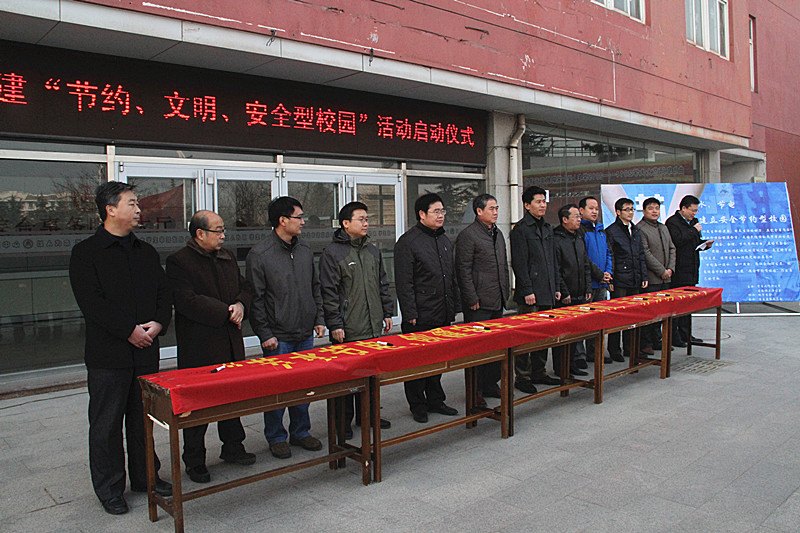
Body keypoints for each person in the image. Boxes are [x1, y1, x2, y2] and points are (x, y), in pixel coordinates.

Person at [69, 181, 172, 515]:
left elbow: (163, 293)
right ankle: (110, 489)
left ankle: (146, 477)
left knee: (143, 421)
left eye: (138, 203)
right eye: (132, 203)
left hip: (145, 351)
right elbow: (92, 303)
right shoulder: (86, 253)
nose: (138, 209)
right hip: (108, 356)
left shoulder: (146, 252)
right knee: (107, 425)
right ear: (110, 209)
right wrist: (129, 331)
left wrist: (158, 324)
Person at [166, 210, 256, 484]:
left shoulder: (227, 257)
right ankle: (194, 460)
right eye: (217, 230)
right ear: (200, 233)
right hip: (200, 345)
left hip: (230, 341)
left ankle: (233, 446)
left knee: (231, 397)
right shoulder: (179, 261)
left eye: (223, 229)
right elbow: (186, 300)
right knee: (198, 405)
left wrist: (240, 305)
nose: (223, 235)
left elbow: (245, 288)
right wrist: (225, 312)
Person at [246, 197, 325, 459]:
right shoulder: (260, 254)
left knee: (303, 386)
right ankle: (276, 437)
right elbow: (256, 299)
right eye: (298, 217)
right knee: (277, 389)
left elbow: (315, 287)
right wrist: (265, 334)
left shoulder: (304, 249)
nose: (303, 222)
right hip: (278, 336)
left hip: (304, 332)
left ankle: (301, 431)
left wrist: (319, 318)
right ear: (282, 220)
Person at [319, 201, 394, 439]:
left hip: (372, 324)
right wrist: (335, 324)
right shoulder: (333, 253)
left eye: (367, 219)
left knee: (371, 375)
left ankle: (369, 415)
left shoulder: (372, 250)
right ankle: (343, 423)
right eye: (361, 219)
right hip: (348, 326)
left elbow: (383, 284)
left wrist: (387, 312)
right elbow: (329, 292)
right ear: (345, 223)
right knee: (347, 378)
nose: (366, 224)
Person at [394, 193, 461, 423]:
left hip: (442, 310)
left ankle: (436, 400)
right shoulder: (408, 242)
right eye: (436, 211)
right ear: (422, 214)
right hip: (420, 314)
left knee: (438, 359)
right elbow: (404, 282)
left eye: (443, 211)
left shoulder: (443, 240)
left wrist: (454, 306)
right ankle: (417, 404)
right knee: (416, 362)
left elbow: (450, 276)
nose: (441, 216)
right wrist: (410, 313)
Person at [455, 194, 510, 404]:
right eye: (491, 209)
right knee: (477, 349)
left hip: (497, 299)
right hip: (478, 302)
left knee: (495, 346)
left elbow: (503, 266)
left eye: (497, 208)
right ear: (479, 211)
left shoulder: (497, 233)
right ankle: (475, 390)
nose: (496, 212)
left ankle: (490, 384)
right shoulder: (468, 235)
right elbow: (463, 270)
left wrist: (506, 292)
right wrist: (471, 297)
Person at [510, 185, 562, 394]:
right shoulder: (521, 230)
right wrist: (526, 290)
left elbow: (553, 261)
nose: (543, 205)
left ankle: (539, 372)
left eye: (544, 201)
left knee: (543, 334)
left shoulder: (547, 228)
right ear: (527, 205)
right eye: (538, 202)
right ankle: (522, 377)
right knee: (527, 335)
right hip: (530, 293)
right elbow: (519, 263)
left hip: (547, 290)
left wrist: (556, 286)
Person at [605, 197, 648, 362]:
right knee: (617, 316)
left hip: (635, 278)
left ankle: (631, 348)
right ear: (618, 212)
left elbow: (641, 254)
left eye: (632, 209)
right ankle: (614, 349)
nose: (630, 212)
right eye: (627, 209)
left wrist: (643, 275)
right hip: (620, 279)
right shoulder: (612, 231)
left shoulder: (635, 229)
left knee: (633, 315)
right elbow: (611, 256)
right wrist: (611, 279)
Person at [666, 194, 712, 346]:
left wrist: (705, 244)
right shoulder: (672, 222)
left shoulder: (694, 222)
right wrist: (693, 230)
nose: (694, 214)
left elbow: (694, 242)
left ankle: (686, 334)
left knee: (688, 305)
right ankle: (674, 336)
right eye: (692, 210)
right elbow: (677, 241)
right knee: (677, 304)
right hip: (679, 270)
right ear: (683, 208)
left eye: (696, 211)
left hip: (692, 268)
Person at [553, 204, 592, 376]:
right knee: (563, 333)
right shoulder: (557, 239)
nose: (579, 220)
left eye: (579, 217)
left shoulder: (579, 237)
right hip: (566, 294)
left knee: (575, 331)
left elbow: (585, 264)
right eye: (576, 216)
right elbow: (557, 268)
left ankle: (572, 363)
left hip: (580, 291)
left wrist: (587, 287)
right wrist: (564, 291)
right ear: (565, 219)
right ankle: (561, 367)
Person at [636, 197, 676, 353]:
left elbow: (672, 248)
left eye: (657, 208)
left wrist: (670, 269)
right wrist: (661, 271)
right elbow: (645, 253)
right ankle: (646, 343)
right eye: (651, 208)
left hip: (666, 277)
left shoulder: (663, 227)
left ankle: (657, 339)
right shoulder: (640, 228)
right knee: (649, 311)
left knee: (661, 311)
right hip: (652, 278)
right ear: (644, 211)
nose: (654, 211)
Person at [578, 196, 613, 364]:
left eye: (597, 209)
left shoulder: (601, 230)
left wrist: (608, 272)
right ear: (581, 210)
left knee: (598, 320)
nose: (595, 212)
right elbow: (584, 258)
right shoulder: (580, 231)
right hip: (588, 283)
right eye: (591, 208)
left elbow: (608, 253)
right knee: (584, 321)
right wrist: (599, 274)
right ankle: (580, 355)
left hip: (602, 283)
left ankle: (595, 352)